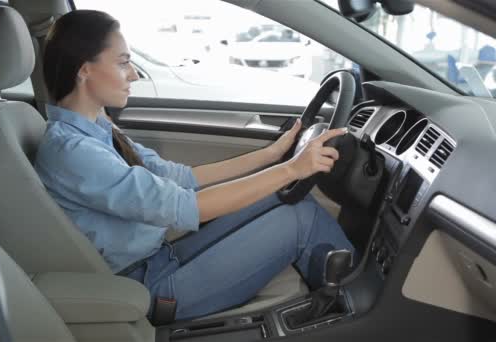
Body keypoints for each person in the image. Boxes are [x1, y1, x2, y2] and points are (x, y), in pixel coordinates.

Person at [35, 9, 355, 321]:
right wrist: (293, 169)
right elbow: (190, 207)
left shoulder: (98, 129)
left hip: (161, 257)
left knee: (289, 201)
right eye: (122, 63)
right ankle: (358, 308)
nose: (132, 73)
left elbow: (181, 177)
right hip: (148, 286)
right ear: (84, 69)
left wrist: (272, 155)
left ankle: (344, 299)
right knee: (300, 220)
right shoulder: (75, 152)